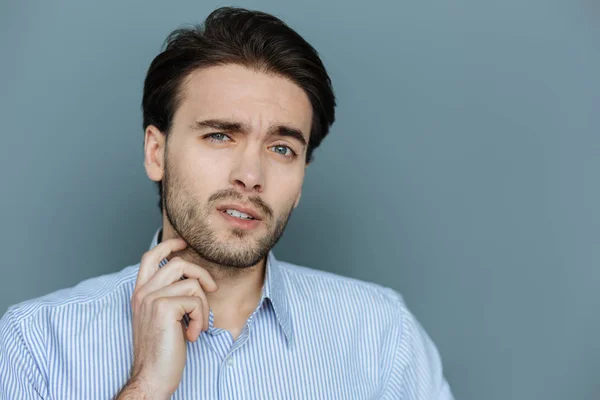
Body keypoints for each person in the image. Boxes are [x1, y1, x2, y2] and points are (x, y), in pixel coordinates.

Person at [0, 7, 453, 399]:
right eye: (220, 135)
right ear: (156, 153)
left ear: (300, 182)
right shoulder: (38, 343)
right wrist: (145, 388)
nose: (251, 177)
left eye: (282, 149)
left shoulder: (382, 334)